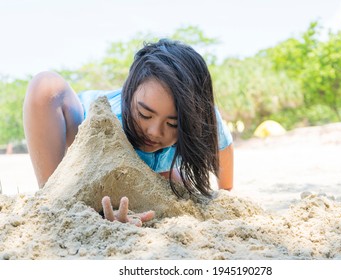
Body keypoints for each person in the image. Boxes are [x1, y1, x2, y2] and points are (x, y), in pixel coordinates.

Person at [23, 39, 234, 226]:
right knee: (45, 84)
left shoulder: (203, 119)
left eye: (172, 124)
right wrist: (94, 210)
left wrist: (226, 193)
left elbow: (223, 151)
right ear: (128, 96)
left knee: (178, 189)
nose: (154, 132)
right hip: (82, 143)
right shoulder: (113, 121)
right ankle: (53, 198)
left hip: (153, 168)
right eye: (144, 114)